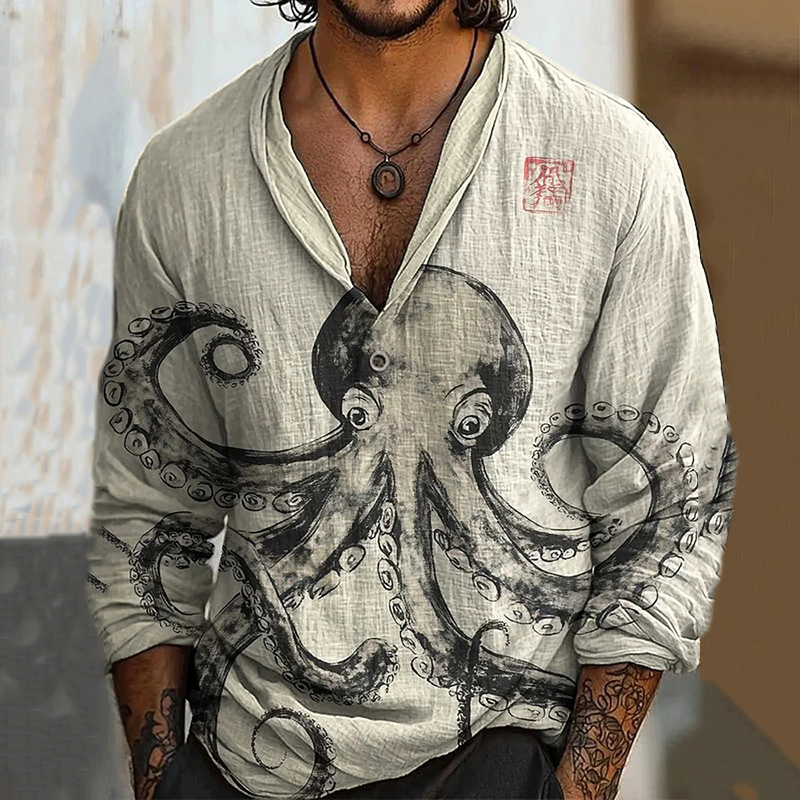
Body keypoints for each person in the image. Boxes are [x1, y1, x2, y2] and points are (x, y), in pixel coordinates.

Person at [85, 1, 739, 798]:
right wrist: (164, 782)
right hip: (241, 769)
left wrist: (578, 788)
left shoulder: (614, 164)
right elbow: (149, 514)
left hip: (499, 768)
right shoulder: (185, 178)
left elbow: (666, 513)